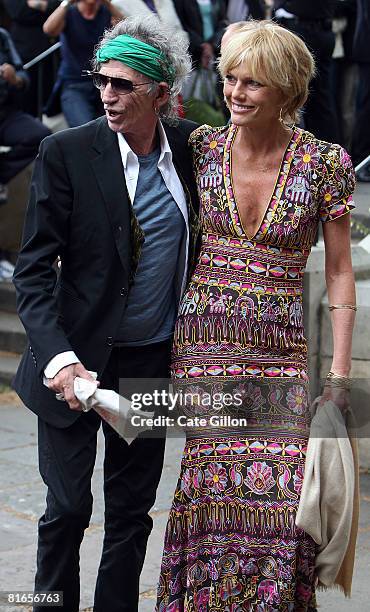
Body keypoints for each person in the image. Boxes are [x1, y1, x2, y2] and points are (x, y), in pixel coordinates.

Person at [156, 20, 356, 610]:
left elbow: (341, 272)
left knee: (277, 505)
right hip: (203, 352)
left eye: (255, 83)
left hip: (279, 356)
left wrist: (338, 378)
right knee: (209, 496)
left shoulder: (324, 164)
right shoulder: (200, 148)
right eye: (232, 78)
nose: (237, 93)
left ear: (287, 92)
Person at [12, 15, 199, 612]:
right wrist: (62, 361)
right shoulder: (65, 152)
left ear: (163, 94)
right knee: (67, 509)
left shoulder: (194, 155)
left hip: (150, 362)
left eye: (125, 85)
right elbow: (35, 271)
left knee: (130, 512)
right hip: (74, 360)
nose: (108, 96)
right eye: (102, 82)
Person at [0, 26, 50, 280]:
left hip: (6, 114)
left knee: (42, 136)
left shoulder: (2, 35)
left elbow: (24, 77)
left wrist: (14, 78)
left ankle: (2, 176)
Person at [43, 0, 124, 127]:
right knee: (85, 128)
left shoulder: (105, 12)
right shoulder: (69, 12)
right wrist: (66, 3)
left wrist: (107, 3)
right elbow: (49, 30)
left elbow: (126, 29)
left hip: (103, 83)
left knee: (114, 126)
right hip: (74, 83)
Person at [273, 0, 339, 143]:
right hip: (313, 28)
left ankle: (310, 150)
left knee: (299, 96)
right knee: (316, 99)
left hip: (307, 30)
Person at [3, 0, 60, 117]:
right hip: (25, 52)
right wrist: (46, 11)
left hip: (51, 49)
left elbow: (57, 7)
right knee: (28, 97)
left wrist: (38, 5)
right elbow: (20, 12)